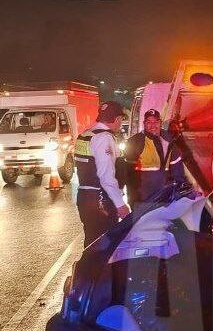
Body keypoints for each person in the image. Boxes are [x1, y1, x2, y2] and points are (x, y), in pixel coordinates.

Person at [74, 101, 130, 247]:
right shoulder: (104, 138)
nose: (120, 123)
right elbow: (106, 176)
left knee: (92, 243)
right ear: (117, 119)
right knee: (105, 246)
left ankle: (88, 263)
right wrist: (120, 204)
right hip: (101, 200)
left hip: (85, 197)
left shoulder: (85, 135)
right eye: (121, 119)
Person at [122, 108, 186, 208]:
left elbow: (177, 169)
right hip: (143, 200)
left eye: (156, 122)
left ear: (160, 123)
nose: (153, 125)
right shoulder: (135, 142)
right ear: (144, 124)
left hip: (165, 198)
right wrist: (132, 201)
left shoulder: (169, 140)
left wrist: (181, 189)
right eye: (149, 122)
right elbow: (127, 174)